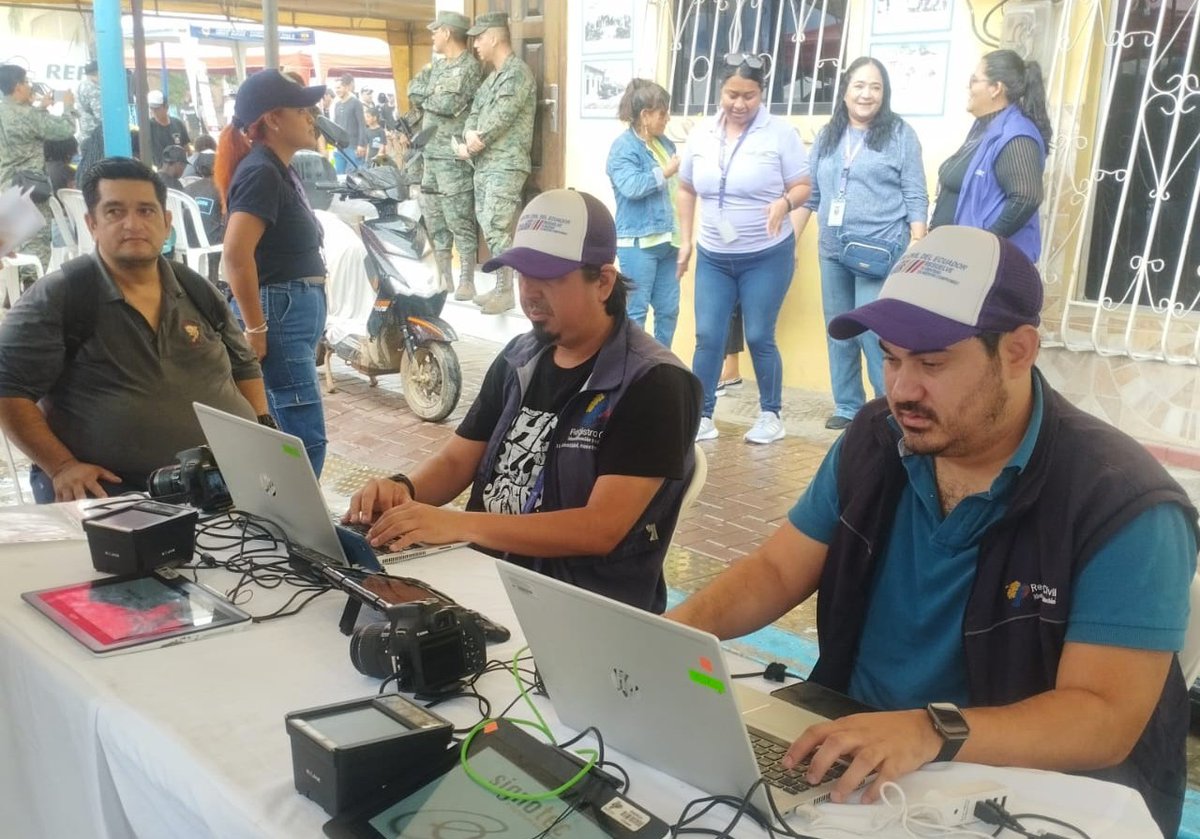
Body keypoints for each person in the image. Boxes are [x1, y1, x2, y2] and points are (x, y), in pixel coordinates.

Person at [668, 225, 1197, 836]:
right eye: (890, 357)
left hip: (1020, 796)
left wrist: (929, 730)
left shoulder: (1122, 503)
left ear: (1019, 351)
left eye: (932, 362)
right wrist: (665, 636)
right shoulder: (875, 441)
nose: (901, 389)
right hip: (852, 749)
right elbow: (777, 570)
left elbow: (1102, 720)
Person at [345, 189, 701, 613]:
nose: (528, 292)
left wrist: (458, 525)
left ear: (603, 282)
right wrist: (402, 492)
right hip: (485, 577)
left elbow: (600, 528)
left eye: (548, 277)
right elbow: (459, 461)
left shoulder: (654, 383)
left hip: (579, 605)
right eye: (520, 274)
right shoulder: (521, 356)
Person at [0, 157, 267, 502]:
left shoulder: (196, 288)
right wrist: (62, 466)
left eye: (146, 211)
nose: (132, 224)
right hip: (116, 491)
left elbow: (244, 365)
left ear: (166, 222)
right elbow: (8, 388)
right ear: (91, 223)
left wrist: (262, 431)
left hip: (221, 482)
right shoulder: (62, 296)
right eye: (114, 212)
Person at [677, 54, 811, 445]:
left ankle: (771, 414)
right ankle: (702, 416)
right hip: (715, 255)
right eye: (731, 94)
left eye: (749, 96)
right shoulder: (702, 133)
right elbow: (686, 188)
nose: (739, 104)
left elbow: (804, 186)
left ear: (761, 94)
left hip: (766, 254)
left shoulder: (780, 134)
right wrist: (686, 241)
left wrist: (784, 204)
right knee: (708, 335)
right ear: (719, 91)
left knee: (758, 335)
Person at [793, 56, 928, 431]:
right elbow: (813, 194)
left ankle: (886, 406)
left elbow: (915, 193)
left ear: (884, 94)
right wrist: (791, 240)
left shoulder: (900, 134)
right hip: (833, 249)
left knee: (873, 334)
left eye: (875, 87)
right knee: (839, 329)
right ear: (845, 90)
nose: (866, 94)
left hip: (881, 250)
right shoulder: (828, 134)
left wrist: (917, 242)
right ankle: (849, 406)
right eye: (859, 86)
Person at [214, 70, 331, 475]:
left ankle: (286, 525)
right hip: (276, 312)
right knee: (302, 438)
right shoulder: (261, 171)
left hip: (287, 312)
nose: (311, 117)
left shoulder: (276, 168)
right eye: (301, 110)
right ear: (274, 119)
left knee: (291, 432)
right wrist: (256, 328)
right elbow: (235, 255)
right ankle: (294, 529)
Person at [930, 49, 1051, 262]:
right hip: (956, 256)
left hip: (988, 265)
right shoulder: (984, 127)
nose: (968, 87)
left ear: (996, 88)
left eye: (974, 80)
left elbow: (1027, 197)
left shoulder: (1016, 135)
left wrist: (985, 244)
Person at [457, 11, 536, 315]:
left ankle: (506, 290)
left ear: (493, 37)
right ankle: (500, 286)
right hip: (486, 164)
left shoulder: (517, 74)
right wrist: (468, 133)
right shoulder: (490, 79)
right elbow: (475, 114)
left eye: (479, 38)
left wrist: (477, 139)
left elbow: (501, 116)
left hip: (506, 163)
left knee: (496, 224)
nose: (475, 44)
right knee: (487, 224)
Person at [412, 11, 484, 300]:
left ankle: (467, 279)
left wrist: (431, 98)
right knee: (435, 218)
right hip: (430, 155)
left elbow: (448, 102)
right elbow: (413, 91)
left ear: (447, 33)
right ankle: (445, 276)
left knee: (459, 218)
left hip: (453, 157)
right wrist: (432, 98)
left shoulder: (470, 68)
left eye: (435, 31)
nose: (432, 36)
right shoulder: (436, 67)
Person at [606, 79, 681, 348]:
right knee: (636, 313)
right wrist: (665, 172)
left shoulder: (665, 144)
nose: (667, 118)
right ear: (645, 116)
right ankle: (632, 372)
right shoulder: (623, 147)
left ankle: (661, 366)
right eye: (662, 113)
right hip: (639, 243)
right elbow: (631, 186)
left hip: (668, 241)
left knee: (669, 310)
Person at [0, 65, 78, 273]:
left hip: (5, 188)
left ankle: (11, 294)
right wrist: (69, 107)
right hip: (29, 191)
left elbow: (25, 130)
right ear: (18, 86)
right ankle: (30, 294)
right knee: (35, 252)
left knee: (10, 250)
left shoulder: (6, 111)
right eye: (26, 82)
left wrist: (40, 108)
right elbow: (65, 129)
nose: (29, 86)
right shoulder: (29, 115)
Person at [183, 150, 225, 285]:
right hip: (212, 241)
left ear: (198, 169)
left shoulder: (187, 189)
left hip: (188, 240)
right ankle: (214, 280)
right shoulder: (222, 189)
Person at [332, 74, 368, 173]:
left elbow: (362, 124)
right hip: (339, 147)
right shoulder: (337, 105)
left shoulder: (356, 103)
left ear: (346, 87)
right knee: (340, 176)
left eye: (339, 87)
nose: (337, 90)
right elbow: (336, 126)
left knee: (356, 176)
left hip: (354, 146)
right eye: (335, 88)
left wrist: (361, 144)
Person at [146, 89, 191, 168]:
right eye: (151, 108)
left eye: (157, 109)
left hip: (179, 171)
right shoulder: (148, 126)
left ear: (166, 107)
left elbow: (186, 148)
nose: (153, 111)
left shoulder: (178, 123)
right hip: (160, 171)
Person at [75, 60, 101, 144]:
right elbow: (100, 115)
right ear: (97, 73)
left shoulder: (81, 85)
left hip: (85, 131)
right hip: (95, 133)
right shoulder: (93, 88)